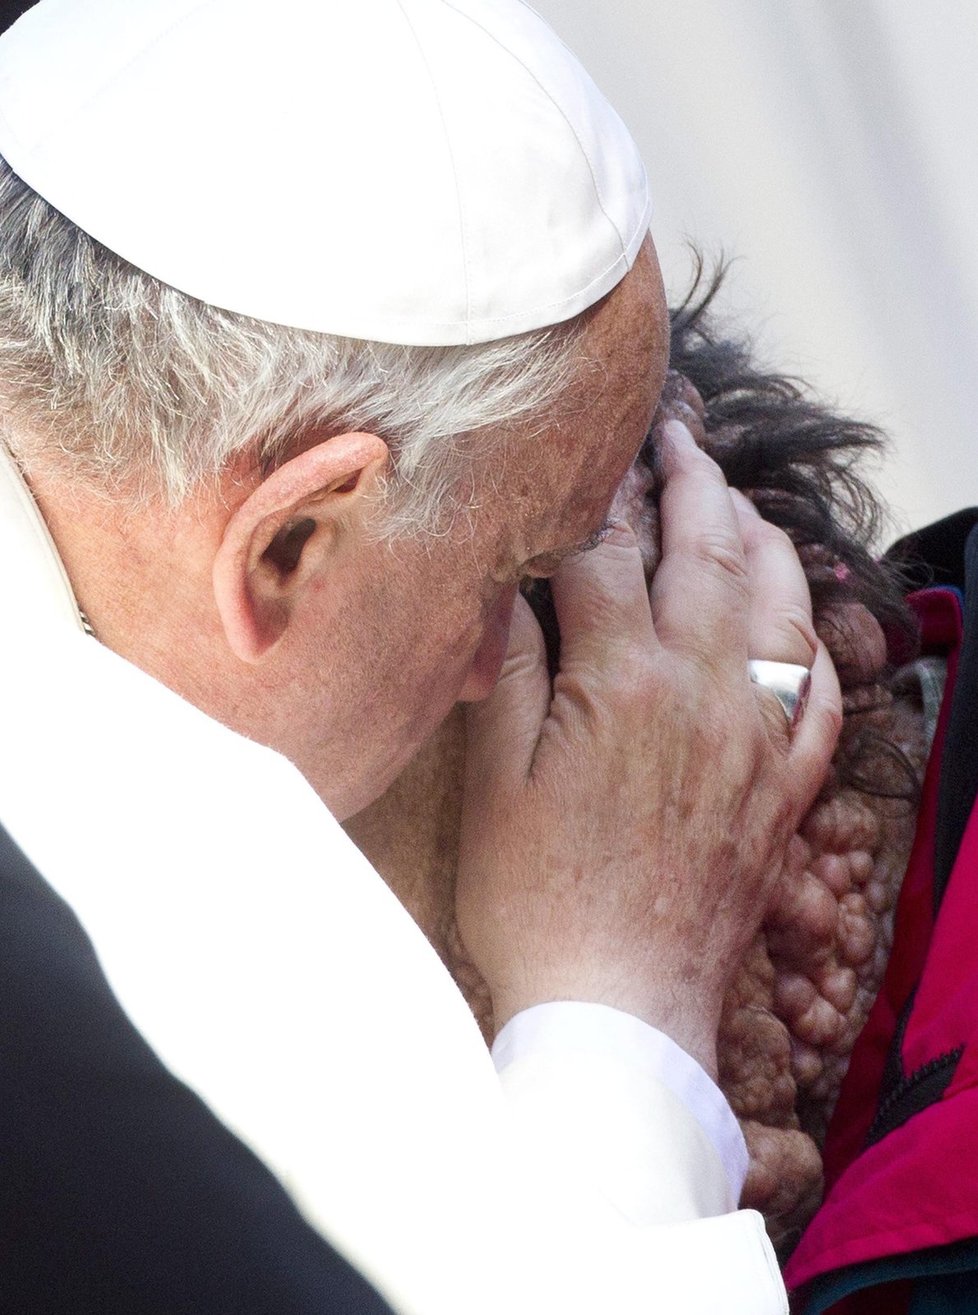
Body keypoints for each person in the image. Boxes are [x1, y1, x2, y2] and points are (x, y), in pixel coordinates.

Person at [0, 2, 841, 1311]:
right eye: (516, 573)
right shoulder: (152, 906)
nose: (483, 680)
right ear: (285, 548)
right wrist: (623, 1004)